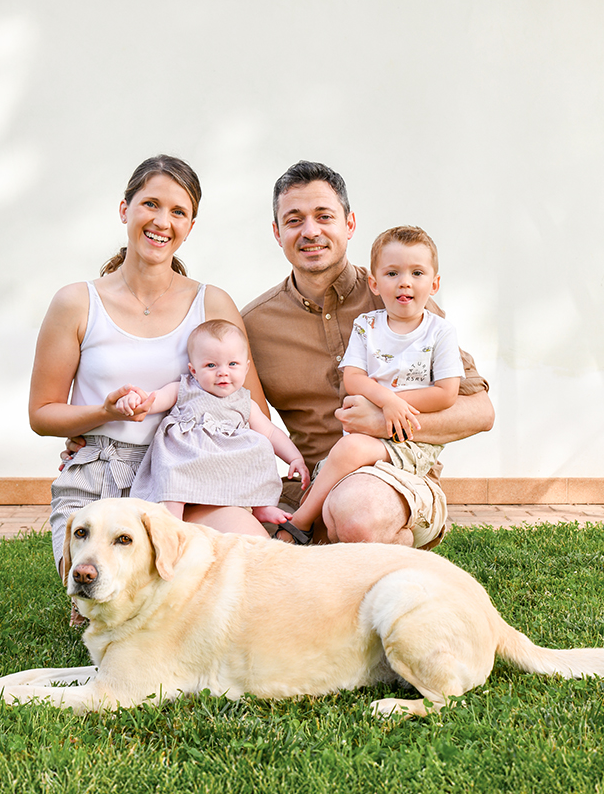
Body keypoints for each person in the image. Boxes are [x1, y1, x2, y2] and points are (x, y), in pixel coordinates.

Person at [29, 155, 270, 581]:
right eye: (151, 204)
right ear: (125, 209)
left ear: (190, 227)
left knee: (257, 568)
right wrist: (103, 413)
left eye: (179, 212)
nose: (162, 221)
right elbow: (42, 413)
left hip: (189, 477)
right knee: (115, 599)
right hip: (99, 478)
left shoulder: (211, 305)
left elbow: (250, 410)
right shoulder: (76, 303)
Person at [241, 161, 494, 550]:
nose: (310, 231)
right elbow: (250, 430)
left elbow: (480, 412)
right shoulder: (255, 325)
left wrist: (382, 421)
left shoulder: (402, 297)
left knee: (357, 512)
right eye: (294, 220)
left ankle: (376, 551)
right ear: (277, 233)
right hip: (310, 487)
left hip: (400, 478)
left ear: (349, 224)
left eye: (324, 216)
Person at [287, 226, 463, 542]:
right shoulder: (367, 326)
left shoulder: (440, 332)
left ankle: (299, 524)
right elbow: (353, 378)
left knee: (350, 452)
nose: (405, 282)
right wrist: (386, 399)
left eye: (417, 273)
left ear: (434, 283)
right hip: (360, 443)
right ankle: (386, 540)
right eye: (392, 273)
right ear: (375, 283)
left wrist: (394, 405)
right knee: (338, 485)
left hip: (411, 446)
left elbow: (447, 393)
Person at [119, 319, 309, 529]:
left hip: (227, 461)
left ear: (246, 368)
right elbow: (154, 400)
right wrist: (137, 399)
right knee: (172, 473)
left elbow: (271, 433)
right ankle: (171, 520)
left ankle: (260, 505)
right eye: (211, 365)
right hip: (187, 457)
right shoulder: (184, 389)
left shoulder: (245, 402)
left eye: (232, 364)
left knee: (261, 448)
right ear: (193, 370)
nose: (223, 372)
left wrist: (294, 457)